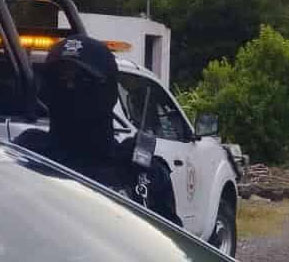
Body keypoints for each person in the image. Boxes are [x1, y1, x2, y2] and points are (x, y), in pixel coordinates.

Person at [15, 35, 181, 226]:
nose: (70, 88)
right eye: (59, 80)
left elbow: (168, 242)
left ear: (109, 91)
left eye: (83, 81)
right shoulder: (24, 159)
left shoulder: (141, 175)